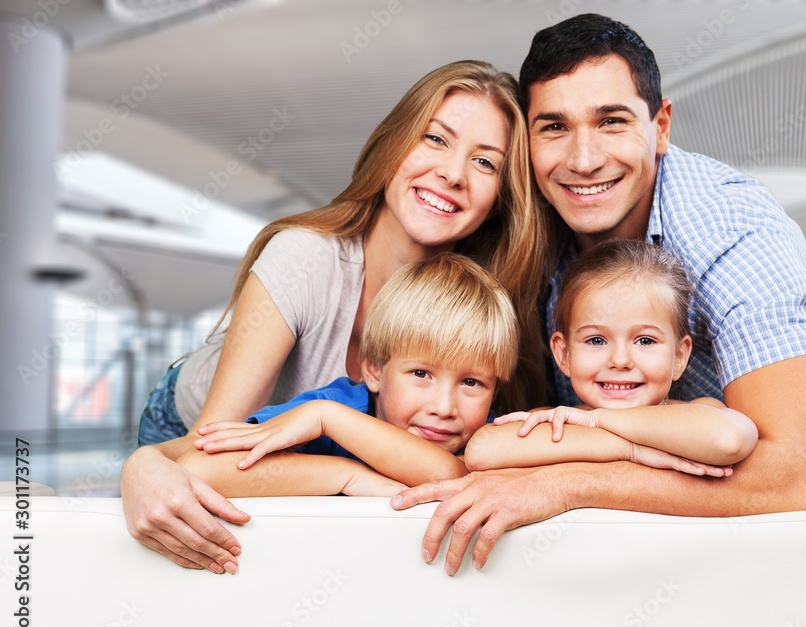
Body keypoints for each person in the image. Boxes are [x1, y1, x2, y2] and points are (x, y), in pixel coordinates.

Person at [391, 14, 806, 576]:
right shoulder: (527, 220)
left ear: (662, 125)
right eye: (554, 127)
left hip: (782, 445)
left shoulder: (735, 235)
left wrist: (567, 484)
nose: (583, 159)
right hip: (630, 449)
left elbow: (796, 480)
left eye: (611, 122)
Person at [121, 61, 549, 574]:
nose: (453, 174)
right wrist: (143, 465)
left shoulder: (476, 304)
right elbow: (206, 452)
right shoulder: (304, 259)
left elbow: (456, 469)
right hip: (192, 425)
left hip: (312, 454)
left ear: (500, 198)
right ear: (394, 145)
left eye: (485, 163)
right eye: (435, 139)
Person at [181, 253, 517, 498]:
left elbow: (447, 473)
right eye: (420, 373)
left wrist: (327, 419)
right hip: (185, 390)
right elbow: (197, 470)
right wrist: (347, 476)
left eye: (471, 382)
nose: (444, 407)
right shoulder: (330, 407)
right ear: (373, 370)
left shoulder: (487, 437)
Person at [464, 239, 756, 475]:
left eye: (644, 340)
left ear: (679, 357)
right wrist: (629, 450)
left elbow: (728, 440)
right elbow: (481, 451)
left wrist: (597, 422)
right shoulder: (553, 422)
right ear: (563, 354)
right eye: (596, 340)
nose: (620, 360)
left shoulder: (697, 412)